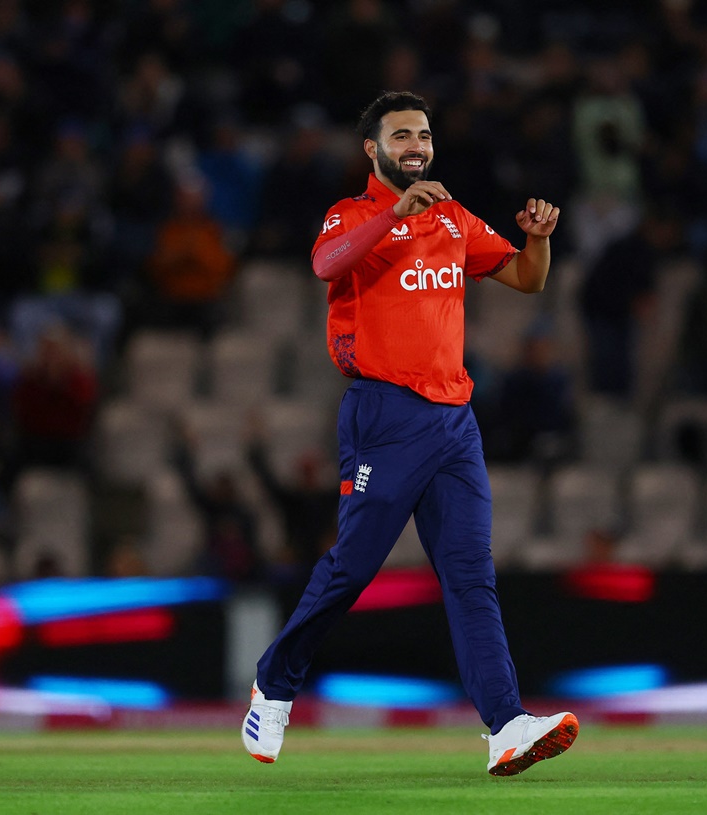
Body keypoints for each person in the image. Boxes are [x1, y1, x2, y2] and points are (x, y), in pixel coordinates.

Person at [241, 91, 578, 777]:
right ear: (373, 150)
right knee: (354, 567)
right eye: (401, 136)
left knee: (470, 576)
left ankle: (506, 724)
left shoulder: (452, 217)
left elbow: (524, 278)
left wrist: (538, 237)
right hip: (385, 415)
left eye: (423, 134)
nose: (416, 145)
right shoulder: (354, 213)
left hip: (454, 421)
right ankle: (273, 684)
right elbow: (325, 264)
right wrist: (395, 213)